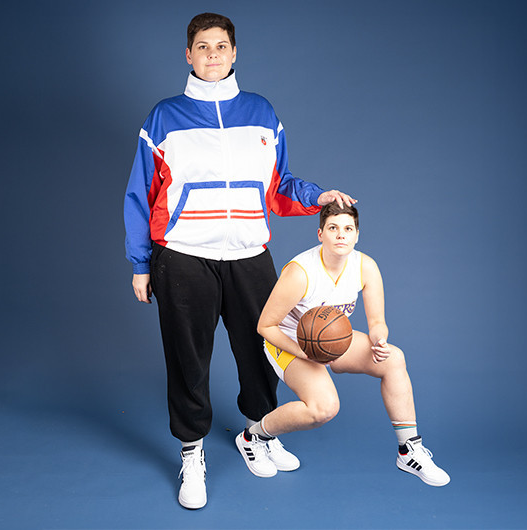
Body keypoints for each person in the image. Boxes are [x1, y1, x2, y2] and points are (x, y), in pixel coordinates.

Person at [123, 13, 355, 510]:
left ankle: (258, 433)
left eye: (221, 46)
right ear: (188, 55)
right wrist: (141, 263)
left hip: (250, 254)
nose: (212, 54)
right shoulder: (163, 117)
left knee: (262, 350)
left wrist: (317, 197)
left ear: (234, 53)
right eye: (202, 46)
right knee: (188, 359)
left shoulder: (261, 112)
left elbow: (278, 185)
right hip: (184, 255)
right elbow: (141, 194)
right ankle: (192, 452)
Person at [252, 202, 450, 487]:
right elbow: (265, 326)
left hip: (330, 340)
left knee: (394, 358)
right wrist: (307, 353)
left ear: (357, 235)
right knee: (323, 408)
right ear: (320, 234)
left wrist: (379, 339)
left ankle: (409, 450)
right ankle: (255, 437)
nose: (340, 235)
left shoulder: (365, 266)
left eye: (348, 229)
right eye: (333, 228)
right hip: (290, 342)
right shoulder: (300, 272)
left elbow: (377, 322)